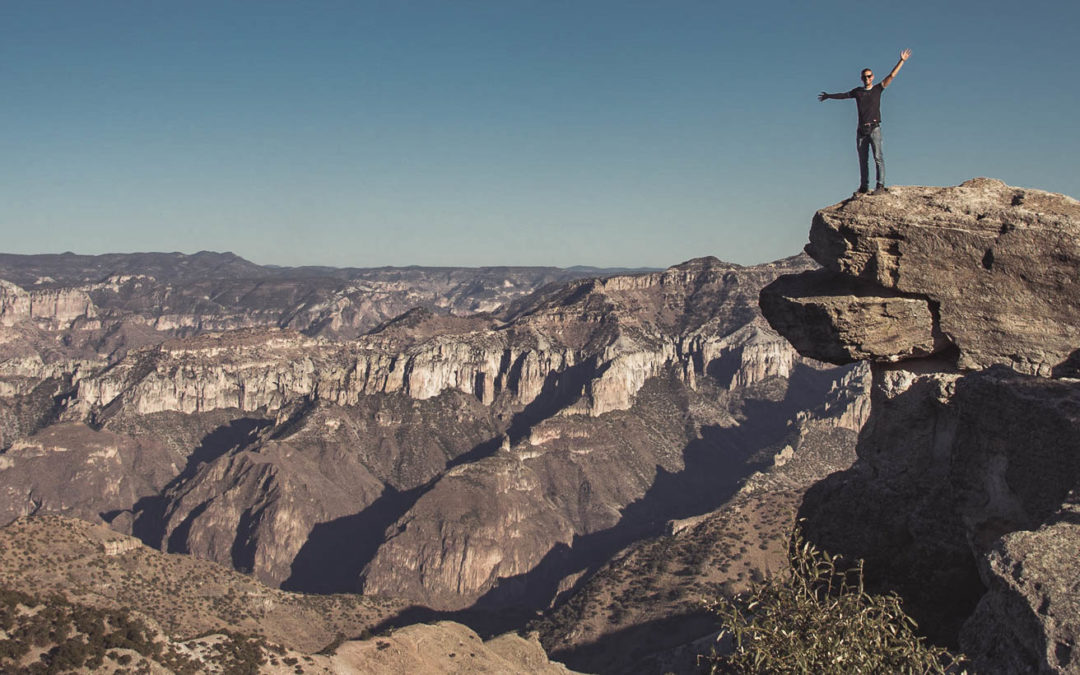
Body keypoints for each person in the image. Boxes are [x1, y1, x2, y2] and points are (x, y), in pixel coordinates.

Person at [819, 49, 911, 195]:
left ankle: (880, 186)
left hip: (874, 129)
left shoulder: (877, 89)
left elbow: (891, 76)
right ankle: (864, 186)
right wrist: (829, 96)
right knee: (863, 160)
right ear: (861, 79)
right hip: (861, 130)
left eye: (868, 77)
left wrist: (902, 61)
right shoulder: (858, 92)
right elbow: (844, 95)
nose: (866, 79)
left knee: (878, 157)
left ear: (872, 77)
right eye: (864, 77)